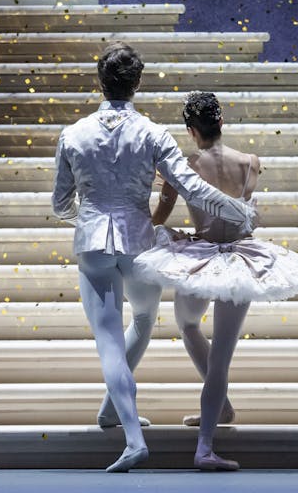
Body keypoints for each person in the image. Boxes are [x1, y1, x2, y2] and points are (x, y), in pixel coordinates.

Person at [51, 44, 258, 473]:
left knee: (109, 340)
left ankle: (131, 437)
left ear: (100, 82)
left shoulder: (73, 134)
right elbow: (192, 187)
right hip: (139, 243)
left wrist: (87, 219)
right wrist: (237, 210)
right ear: (137, 83)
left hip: (95, 244)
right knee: (143, 321)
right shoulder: (152, 133)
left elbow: (60, 203)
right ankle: (112, 410)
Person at [134, 91, 298, 471]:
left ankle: (205, 446)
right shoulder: (251, 163)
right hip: (240, 259)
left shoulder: (184, 165)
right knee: (211, 345)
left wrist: (147, 213)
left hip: (202, 257)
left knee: (191, 327)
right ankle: (219, 407)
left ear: (192, 131)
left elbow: (161, 215)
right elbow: (244, 216)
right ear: (221, 122)